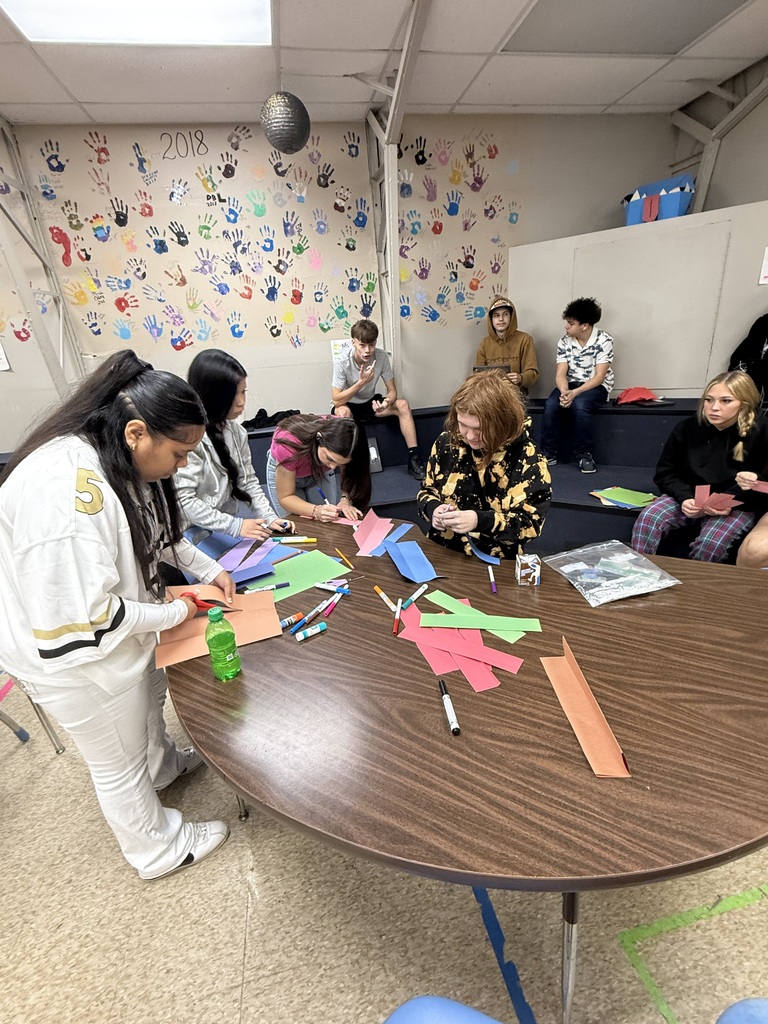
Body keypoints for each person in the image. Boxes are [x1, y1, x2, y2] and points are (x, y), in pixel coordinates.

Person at [0, 350, 234, 879]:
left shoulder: (114, 455)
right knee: (116, 760)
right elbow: (88, 618)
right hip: (71, 657)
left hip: (113, 626)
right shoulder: (65, 493)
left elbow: (159, 535)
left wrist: (208, 567)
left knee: (146, 707)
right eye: (178, 455)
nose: (180, 467)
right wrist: (175, 610)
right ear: (136, 432)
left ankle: (163, 766)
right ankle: (157, 848)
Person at [631, 371, 768, 562]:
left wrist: (743, 492)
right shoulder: (686, 428)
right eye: (709, 400)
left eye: (726, 401)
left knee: (711, 544)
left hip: (736, 504)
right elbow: (666, 473)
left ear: (744, 404)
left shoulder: (762, 432)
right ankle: (638, 570)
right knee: (649, 518)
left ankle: (696, 587)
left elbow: (765, 488)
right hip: (691, 494)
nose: (714, 408)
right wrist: (685, 497)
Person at [417, 371, 551, 559]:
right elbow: (426, 490)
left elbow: (529, 524)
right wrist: (433, 510)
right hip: (441, 551)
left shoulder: (528, 458)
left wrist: (479, 521)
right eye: (463, 424)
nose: (470, 436)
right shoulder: (446, 443)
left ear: (503, 422)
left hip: (496, 560)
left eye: (480, 429)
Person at [176, 349, 294, 543]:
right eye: (233, 394)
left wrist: (270, 518)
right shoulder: (188, 438)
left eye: (243, 392)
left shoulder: (237, 432)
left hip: (223, 532)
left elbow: (248, 482)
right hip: (190, 537)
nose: (241, 402)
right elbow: (184, 502)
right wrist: (235, 525)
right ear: (212, 396)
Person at [331, 318, 426, 481]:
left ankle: (414, 458)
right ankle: (348, 468)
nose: (367, 350)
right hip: (348, 404)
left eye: (372, 344)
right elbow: (336, 400)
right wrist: (361, 383)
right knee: (342, 413)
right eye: (362, 345)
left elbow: (392, 391)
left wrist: (386, 403)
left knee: (403, 405)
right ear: (353, 342)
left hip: (370, 404)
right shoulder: (342, 361)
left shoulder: (381, 357)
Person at [539, 297, 613, 473]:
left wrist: (575, 393)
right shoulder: (564, 341)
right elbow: (560, 373)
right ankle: (548, 453)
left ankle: (584, 454)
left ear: (584, 325)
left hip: (595, 387)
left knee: (580, 405)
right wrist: (565, 391)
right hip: (570, 384)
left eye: (571, 323)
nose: (566, 326)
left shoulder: (604, 340)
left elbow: (599, 376)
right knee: (551, 404)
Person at [265, 414, 371, 522]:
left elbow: (349, 473)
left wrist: (345, 499)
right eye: (330, 458)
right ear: (319, 438)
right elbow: (285, 497)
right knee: (296, 525)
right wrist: (316, 510)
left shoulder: (347, 437)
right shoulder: (288, 444)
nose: (333, 467)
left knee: (328, 519)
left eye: (339, 464)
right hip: (287, 468)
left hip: (318, 472)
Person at [474, 295, 539, 393]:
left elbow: (533, 373)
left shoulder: (525, 340)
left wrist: (521, 378)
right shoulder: (485, 343)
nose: (501, 319)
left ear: (511, 317)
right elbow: (477, 375)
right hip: (490, 395)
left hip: (516, 394)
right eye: (496, 315)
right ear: (491, 320)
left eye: (505, 314)